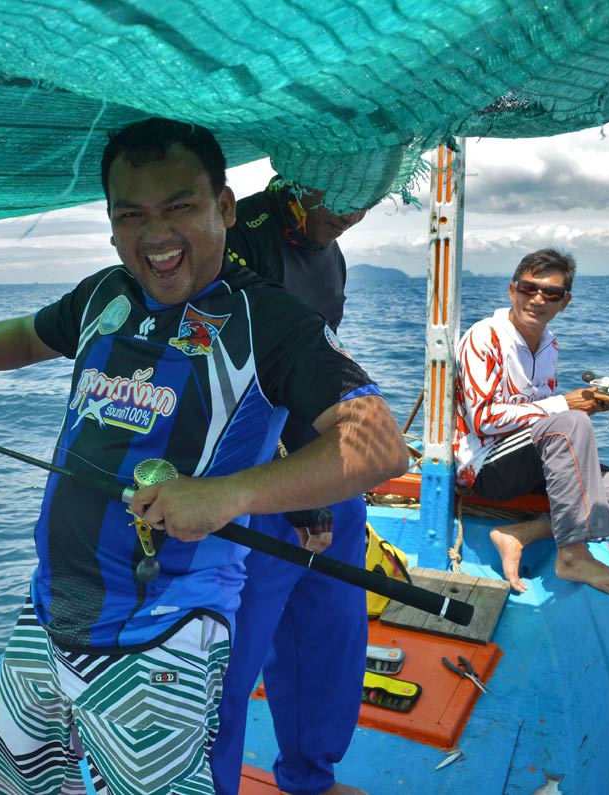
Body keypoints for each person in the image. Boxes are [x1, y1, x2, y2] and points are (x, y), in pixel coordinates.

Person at [0, 118, 407, 795]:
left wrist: (229, 494)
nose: (155, 234)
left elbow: (378, 442)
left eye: (179, 207)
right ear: (110, 227)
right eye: (131, 215)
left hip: (164, 635)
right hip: (47, 611)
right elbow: (26, 335)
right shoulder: (105, 294)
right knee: (16, 774)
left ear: (224, 207)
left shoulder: (267, 320)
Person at [211, 177, 375, 795]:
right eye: (346, 198)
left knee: (332, 636)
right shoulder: (233, 239)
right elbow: (236, 380)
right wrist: (306, 496)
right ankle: (207, 782)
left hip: (325, 479)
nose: (356, 214)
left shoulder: (331, 254)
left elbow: (316, 364)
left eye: (370, 201)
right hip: (252, 487)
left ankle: (309, 776)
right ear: (306, 178)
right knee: (230, 659)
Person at [453, 248, 609, 595]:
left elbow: (543, 415)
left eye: (551, 293)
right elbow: (484, 420)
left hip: (528, 458)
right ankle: (572, 555)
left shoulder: (549, 345)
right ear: (512, 291)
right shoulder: (484, 338)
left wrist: (587, 404)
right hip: (485, 467)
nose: (538, 299)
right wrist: (565, 405)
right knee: (571, 420)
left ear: (565, 302)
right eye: (529, 288)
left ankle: (522, 533)